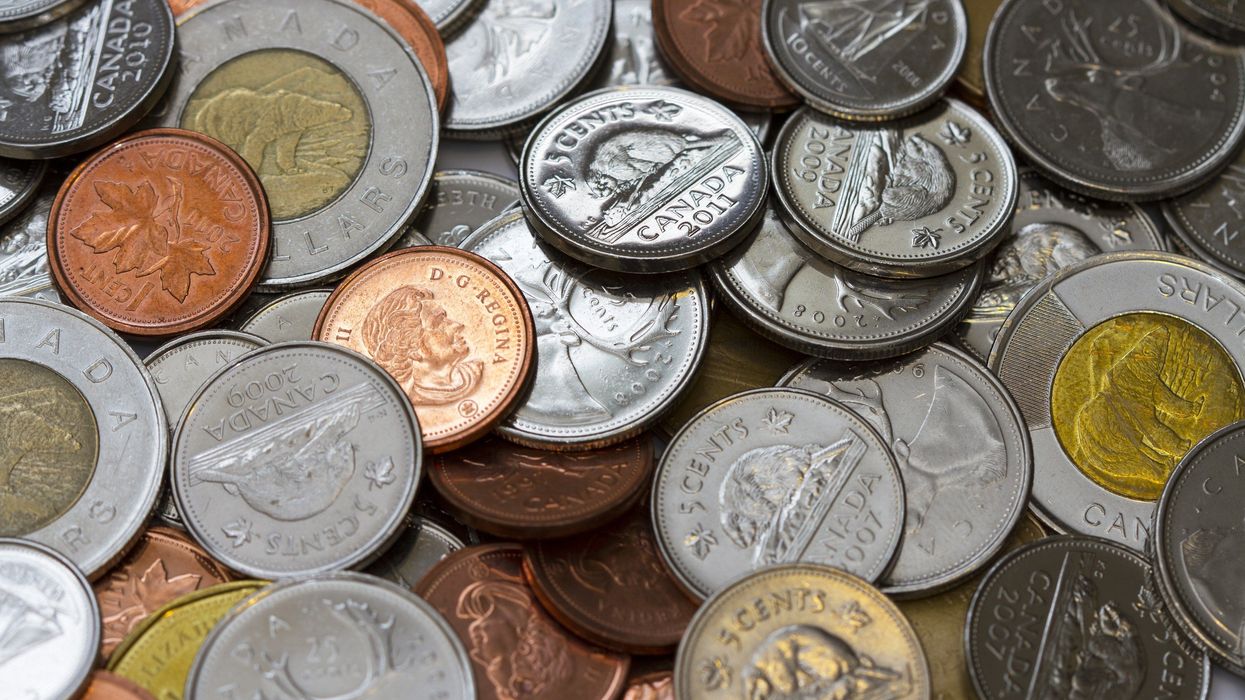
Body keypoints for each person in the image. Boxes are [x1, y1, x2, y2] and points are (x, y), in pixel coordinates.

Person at [362, 286, 483, 405]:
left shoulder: (477, 370)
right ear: (411, 347)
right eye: (439, 322)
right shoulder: (410, 404)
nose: (457, 325)